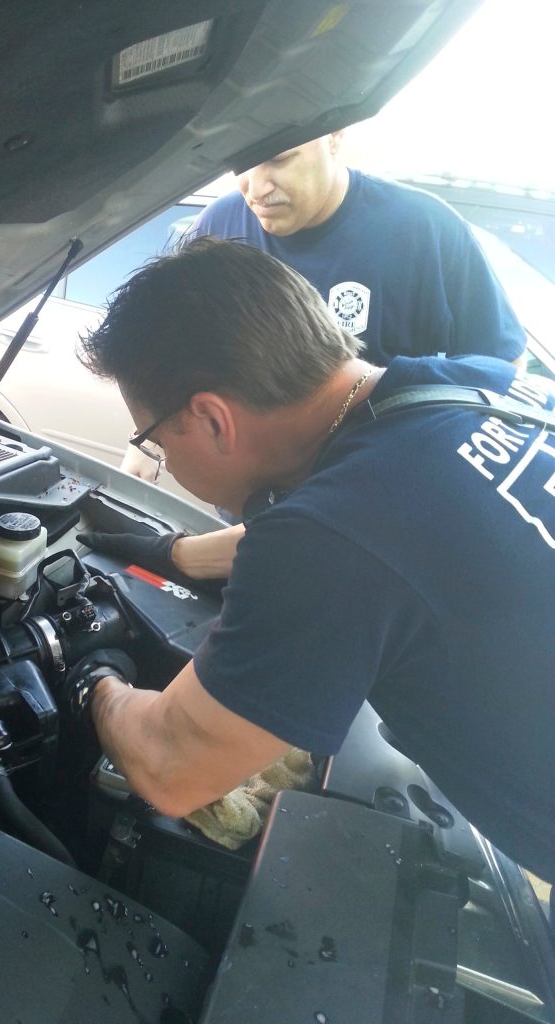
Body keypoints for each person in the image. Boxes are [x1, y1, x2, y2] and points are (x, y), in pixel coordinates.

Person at [72, 237, 555, 885]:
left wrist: (91, 677)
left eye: (153, 442)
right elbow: (391, 533)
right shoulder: (470, 385)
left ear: (212, 419)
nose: (160, 457)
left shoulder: (332, 536)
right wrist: (168, 554)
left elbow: (168, 766)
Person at [120, 131, 526, 481]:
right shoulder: (219, 228)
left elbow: (503, 367)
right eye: (240, 166)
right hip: (257, 504)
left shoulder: (425, 230)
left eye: (279, 160)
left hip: (380, 502)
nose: (256, 187)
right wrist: (147, 440)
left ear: (334, 137)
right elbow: (169, 351)